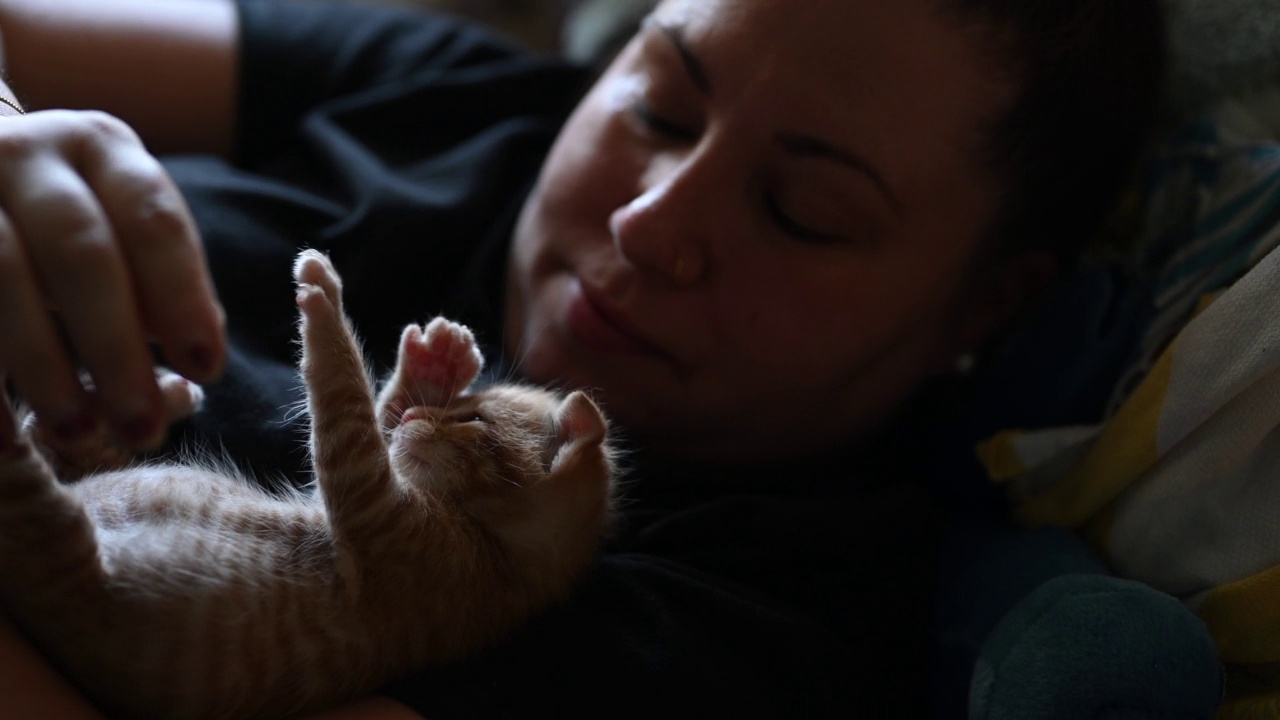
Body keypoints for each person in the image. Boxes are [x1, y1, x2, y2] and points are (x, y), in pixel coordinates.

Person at [0, 0, 1166, 717]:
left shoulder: (750, 623)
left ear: (983, 307)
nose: (650, 224)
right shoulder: (481, 92)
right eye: (660, 105)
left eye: (802, 210)